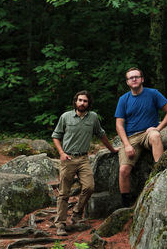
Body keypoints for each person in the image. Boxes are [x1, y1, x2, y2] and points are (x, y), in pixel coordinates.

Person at [52, 90, 119, 236]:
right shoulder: (66, 117)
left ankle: (76, 215)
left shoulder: (93, 117)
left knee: (89, 187)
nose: (82, 103)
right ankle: (61, 224)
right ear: (75, 101)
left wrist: (113, 149)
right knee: (64, 193)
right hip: (68, 159)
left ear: (89, 103)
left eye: (85, 101)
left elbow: (101, 134)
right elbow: (56, 136)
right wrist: (62, 153)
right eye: (80, 100)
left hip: (83, 159)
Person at [115, 67, 167, 207]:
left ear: (142, 79)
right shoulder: (124, 99)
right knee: (123, 170)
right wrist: (127, 145)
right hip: (131, 138)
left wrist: (158, 128)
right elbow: (119, 125)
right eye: (131, 78)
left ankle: (159, 174)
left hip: (148, 133)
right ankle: (126, 205)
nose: (134, 79)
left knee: (155, 135)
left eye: (137, 77)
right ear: (127, 82)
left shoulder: (153, 94)